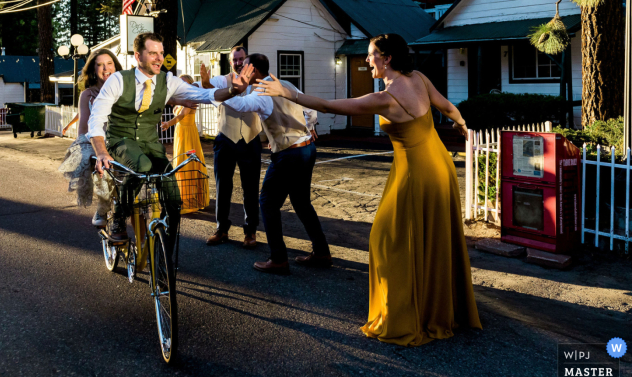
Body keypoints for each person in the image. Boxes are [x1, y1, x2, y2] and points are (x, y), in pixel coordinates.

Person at [255, 33, 482, 345]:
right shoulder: (418, 79)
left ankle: (408, 312)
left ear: (386, 59)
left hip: (415, 172)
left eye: (370, 54)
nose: (366, 60)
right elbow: (447, 106)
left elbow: (326, 104)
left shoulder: (385, 98)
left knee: (387, 239)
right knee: (433, 235)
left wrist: (288, 93)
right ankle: (439, 305)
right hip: (440, 167)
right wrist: (460, 124)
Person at [89, 32, 252, 244]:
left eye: (161, 53)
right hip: (121, 139)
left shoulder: (168, 81)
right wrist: (101, 152)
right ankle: (119, 216)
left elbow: (204, 95)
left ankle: (167, 246)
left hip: (150, 142)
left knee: (174, 197)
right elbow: (97, 118)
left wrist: (233, 90)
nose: (159, 58)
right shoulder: (119, 80)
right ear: (138, 57)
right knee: (142, 165)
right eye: (153, 53)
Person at [211, 53, 330, 275]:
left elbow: (240, 104)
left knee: (267, 203)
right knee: (302, 202)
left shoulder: (261, 91)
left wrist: (219, 93)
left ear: (253, 71)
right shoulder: (283, 83)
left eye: (245, 68)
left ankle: (278, 258)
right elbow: (310, 111)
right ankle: (322, 252)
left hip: (289, 154)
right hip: (307, 148)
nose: (242, 72)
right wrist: (307, 128)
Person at [199, 46, 262, 248]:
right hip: (226, 139)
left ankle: (250, 232)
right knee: (222, 187)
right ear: (230, 62)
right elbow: (209, 87)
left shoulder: (258, 81)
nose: (237, 63)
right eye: (234, 60)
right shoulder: (222, 80)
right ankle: (221, 229)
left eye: (241, 59)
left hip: (251, 139)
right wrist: (206, 82)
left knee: (251, 188)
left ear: (247, 61)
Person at [57, 49, 123, 227]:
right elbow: (84, 128)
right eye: (100, 65)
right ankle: (103, 208)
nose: (106, 68)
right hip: (97, 141)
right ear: (94, 70)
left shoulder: (126, 89)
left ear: (116, 67)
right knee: (103, 167)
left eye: (109, 63)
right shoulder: (88, 94)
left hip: (123, 139)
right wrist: (92, 149)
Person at [159, 74, 210, 214]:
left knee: (186, 164)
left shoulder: (190, 97)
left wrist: (169, 123)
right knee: (181, 163)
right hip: (181, 132)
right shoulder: (181, 98)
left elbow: (181, 115)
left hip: (188, 134)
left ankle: (188, 198)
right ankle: (184, 194)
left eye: (184, 83)